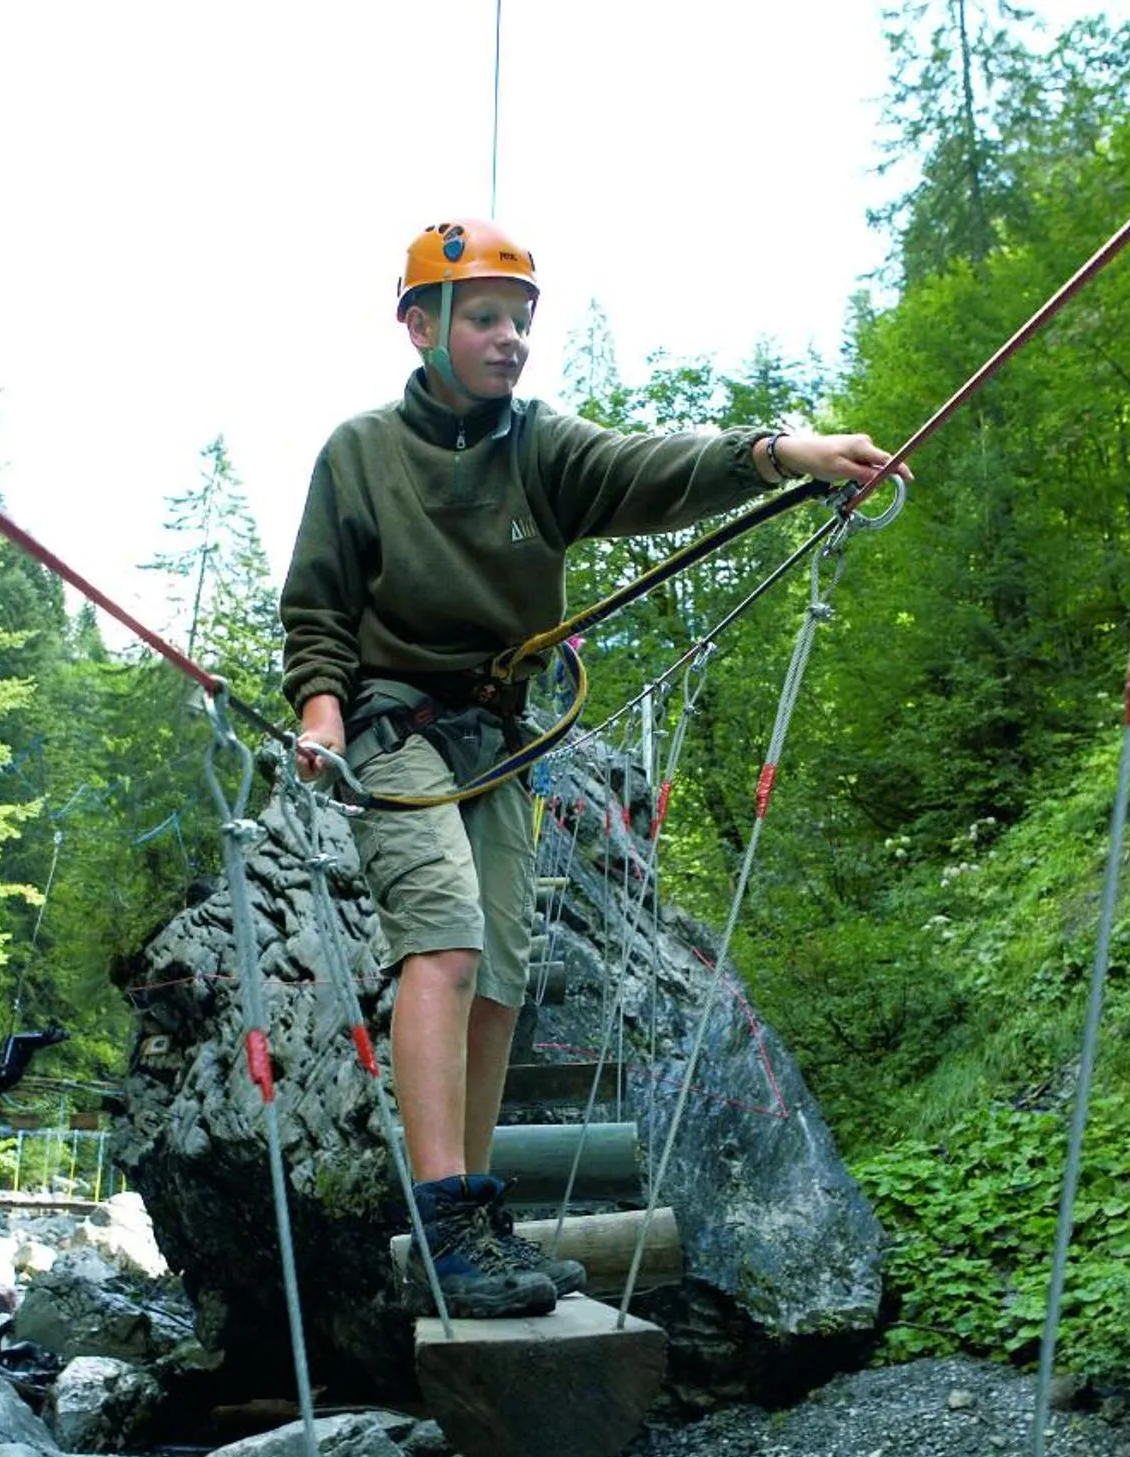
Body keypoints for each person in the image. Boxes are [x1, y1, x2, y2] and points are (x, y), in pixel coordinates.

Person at [280, 218, 909, 1318]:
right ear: (419, 325)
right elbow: (319, 608)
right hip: (393, 728)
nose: (509, 339)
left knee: (502, 976)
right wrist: (324, 716)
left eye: (520, 320)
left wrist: (790, 456)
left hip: (501, 740)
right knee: (445, 938)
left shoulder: (540, 450)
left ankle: (476, 1221)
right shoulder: (361, 452)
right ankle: (443, 1227)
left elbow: (650, 466)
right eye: (483, 317)